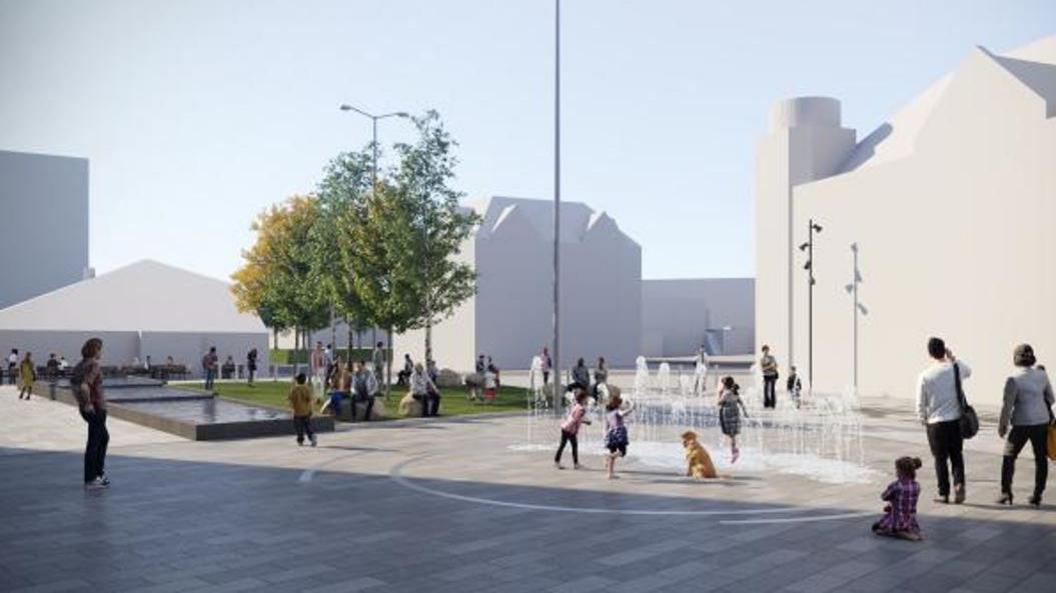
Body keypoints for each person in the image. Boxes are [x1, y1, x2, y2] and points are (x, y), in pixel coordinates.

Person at [997, 344, 1054, 507]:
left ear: (1015, 359)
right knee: (1040, 459)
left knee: (1009, 456)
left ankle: (1006, 492)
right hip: (1041, 422)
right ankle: (1037, 495)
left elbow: (1007, 406)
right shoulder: (1042, 375)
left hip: (1021, 424)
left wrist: (1002, 426)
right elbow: (1051, 397)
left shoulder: (1013, 379)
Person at [916, 337, 969, 504]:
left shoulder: (925, 375)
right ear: (944, 350)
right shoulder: (955, 368)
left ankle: (943, 493)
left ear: (930, 353)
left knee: (940, 459)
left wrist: (922, 418)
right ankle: (959, 484)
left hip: (935, 424)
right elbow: (969, 371)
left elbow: (920, 402)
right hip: (954, 421)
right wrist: (953, 358)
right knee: (956, 456)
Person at [71, 338, 109, 489]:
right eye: (100, 349)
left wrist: (81, 404)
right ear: (95, 350)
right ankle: (91, 479)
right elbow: (84, 386)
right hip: (96, 408)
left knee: (103, 438)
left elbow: (73, 385)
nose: (101, 352)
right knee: (94, 442)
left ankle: (98, 474)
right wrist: (88, 404)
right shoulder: (94, 365)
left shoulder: (80, 365)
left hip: (87, 409)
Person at [872, 457, 924, 541]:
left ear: (901, 472)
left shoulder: (896, 485)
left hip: (897, 518)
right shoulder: (917, 485)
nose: (896, 472)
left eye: (897, 469)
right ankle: (912, 531)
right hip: (910, 518)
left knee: (876, 528)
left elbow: (884, 497)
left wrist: (891, 499)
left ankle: (899, 532)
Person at [555, 389, 591, 469]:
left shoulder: (576, 405)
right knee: (573, 446)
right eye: (586, 398)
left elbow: (576, 417)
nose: (587, 399)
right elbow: (576, 419)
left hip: (566, 427)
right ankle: (575, 464)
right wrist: (586, 422)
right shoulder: (581, 409)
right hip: (570, 429)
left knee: (564, 445)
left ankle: (558, 461)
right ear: (582, 399)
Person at [604, 389, 634, 479]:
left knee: (613, 452)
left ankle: (610, 474)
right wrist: (632, 407)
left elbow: (606, 427)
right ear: (617, 404)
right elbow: (623, 413)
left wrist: (605, 436)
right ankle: (610, 456)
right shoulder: (617, 412)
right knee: (622, 452)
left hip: (611, 434)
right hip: (619, 433)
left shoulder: (608, 414)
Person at [718, 376, 748, 463]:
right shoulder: (735, 393)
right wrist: (745, 413)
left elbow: (719, 403)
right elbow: (741, 403)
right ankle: (734, 450)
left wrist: (720, 393)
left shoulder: (726, 393)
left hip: (727, 413)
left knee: (731, 435)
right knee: (733, 434)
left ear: (724, 385)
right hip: (735, 412)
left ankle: (734, 451)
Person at [287, 373, 317, 447]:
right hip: (306, 411)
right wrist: (311, 410)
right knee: (307, 426)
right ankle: (312, 436)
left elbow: (290, 399)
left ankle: (300, 440)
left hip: (297, 412)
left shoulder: (294, 389)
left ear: (297, 380)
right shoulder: (307, 388)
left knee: (298, 428)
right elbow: (310, 400)